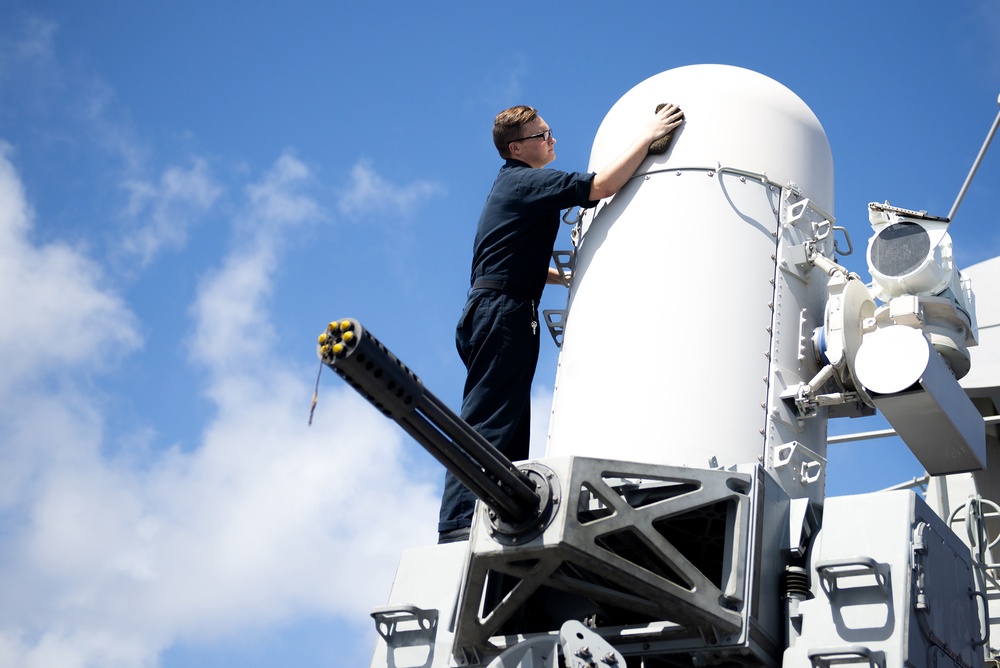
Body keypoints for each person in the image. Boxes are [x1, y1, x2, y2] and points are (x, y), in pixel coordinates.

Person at [438, 103, 685, 543]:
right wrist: (647, 135)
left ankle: (494, 520)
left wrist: (561, 276)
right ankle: (459, 525)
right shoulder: (526, 181)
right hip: (503, 311)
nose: (551, 140)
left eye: (549, 131)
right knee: (490, 421)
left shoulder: (511, 186)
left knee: (510, 431)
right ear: (517, 148)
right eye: (541, 135)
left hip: (502, 306)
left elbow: (503, 256)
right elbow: (601, 186)